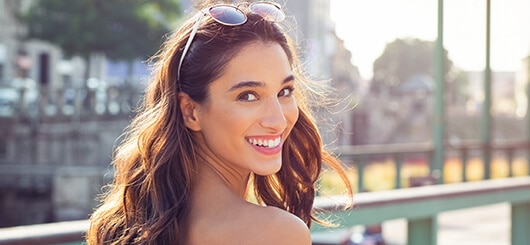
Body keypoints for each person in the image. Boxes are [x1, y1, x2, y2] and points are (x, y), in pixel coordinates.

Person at [86, 1, 353, 244]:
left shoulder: (127, 225)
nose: (278, 120)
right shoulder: (278, 233)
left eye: (284, 92)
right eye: (248, 96)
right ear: (190, 111)